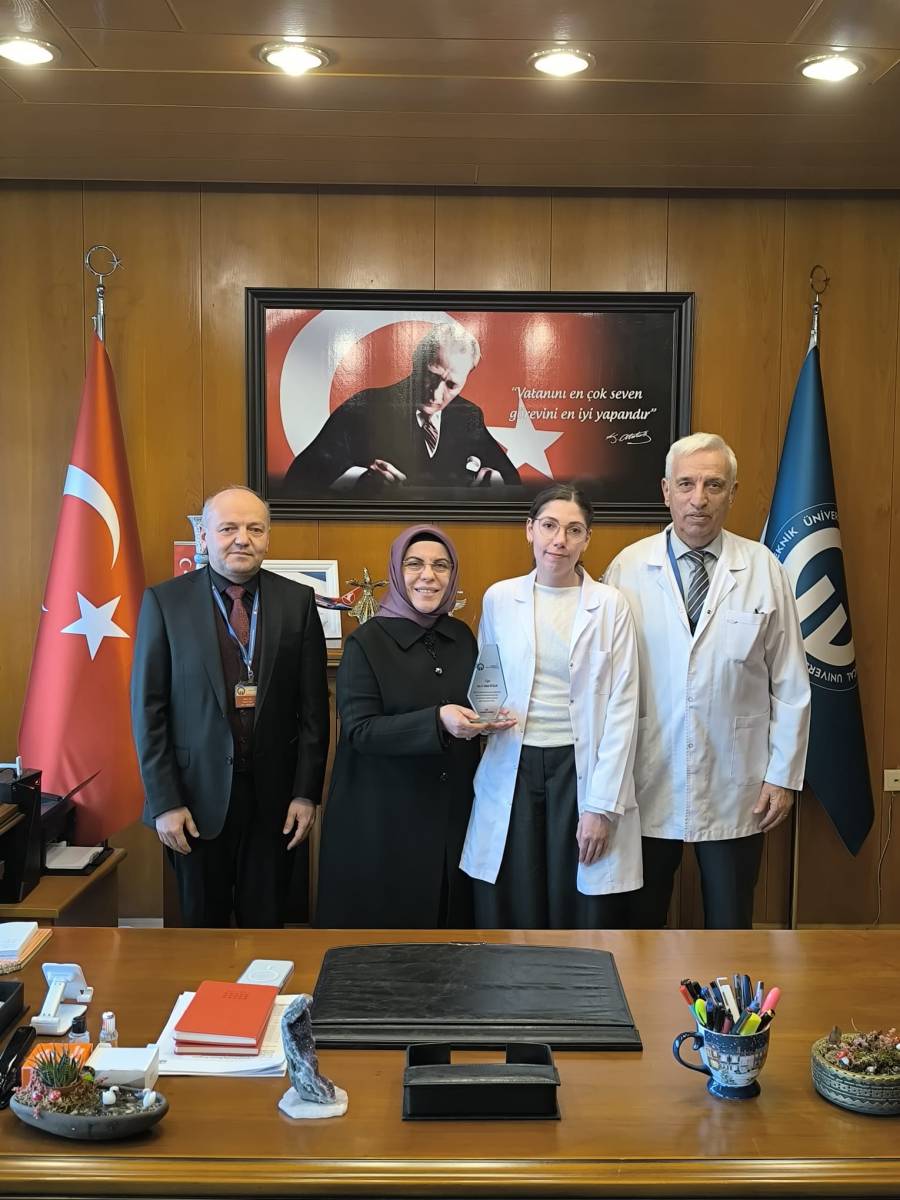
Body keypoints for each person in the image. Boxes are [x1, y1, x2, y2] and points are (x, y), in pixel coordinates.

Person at [604, 432, 811, 930]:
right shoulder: (628, 568)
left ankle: (730, 990)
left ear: (732, 493)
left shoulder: (763, 568)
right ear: (666, 491)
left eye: (714, 485)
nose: (699, 499)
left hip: (736, 783)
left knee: (732, 921)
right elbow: (602, 683)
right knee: (641, 923)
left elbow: (790, 681)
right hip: (646, 775)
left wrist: (782, 776)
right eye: (686, 484)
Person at [130, 485, 330, 928]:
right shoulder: (165, 602)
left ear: (268, 537)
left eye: (255, 529)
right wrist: (165, 802)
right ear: (204, 537)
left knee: (268, 930)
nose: (243, 539)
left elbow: (314, 711)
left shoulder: (297, 602)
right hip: (192, 803)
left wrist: (306, 793)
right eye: (228, 528)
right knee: (202, 934)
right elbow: (149, 712)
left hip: (275, 804)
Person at [460, 485, 643, 928]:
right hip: (515, 762)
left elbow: (623, 707)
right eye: (549, 526)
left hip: (578, 768)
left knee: (575, 900)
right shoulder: (499, 598)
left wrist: (601, 807)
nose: (559, 540)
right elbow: (488, 677)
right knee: (516, 897)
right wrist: (484, 717)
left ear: (587, 539)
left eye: (574, 530)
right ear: (530, 530)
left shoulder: (610, 606)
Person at [316, 525, 511, 928]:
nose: (428, 576)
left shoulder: (461, 636)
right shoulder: (366, 643)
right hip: (384, 823)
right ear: (396, 571)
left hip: (452, 818)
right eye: (414, 564)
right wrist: (437, 720)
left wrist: (487, 722)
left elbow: (473, 705)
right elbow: (360, 730)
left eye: (441, 566)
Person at [281, 323, 520, 495]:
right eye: (431, 376)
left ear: (466, 380)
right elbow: (298, 478)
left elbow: (513, 482)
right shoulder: (362, 409)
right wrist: (361, 480)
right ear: (416, 362)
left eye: (451, 385)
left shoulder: (468, 415)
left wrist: (498, 484)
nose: (436, 394)